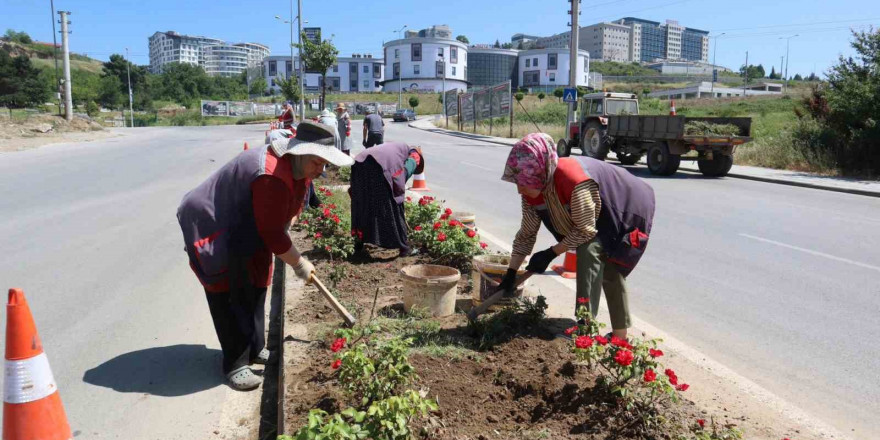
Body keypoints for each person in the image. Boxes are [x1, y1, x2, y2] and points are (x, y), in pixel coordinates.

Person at [177, 121, 353, 391]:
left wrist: (290, 218)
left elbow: (289, 209)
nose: (322, 170)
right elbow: (272, 234)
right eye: (318, 163)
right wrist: (300, 263)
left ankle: (255, 346)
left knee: (258, 279)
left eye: (325, 164)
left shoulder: (299, 170)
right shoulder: (270, 174)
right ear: (300, 153)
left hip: (248, 223)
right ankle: (235, 363)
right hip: (216, 223)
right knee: (229, 289)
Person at [498, 133, 655, 340]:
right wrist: (511, 271)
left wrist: (551, 253)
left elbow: (585, 230)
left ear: (541, 174)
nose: (520, 189)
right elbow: (527, 233)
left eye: (524, 183)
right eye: (518, 183)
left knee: (596, 256)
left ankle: (586, 328)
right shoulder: (530, 193)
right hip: (592, 215)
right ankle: (620, 337)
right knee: (606, 267)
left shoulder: (573, 179)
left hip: (625, 208)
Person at [349, 142, 424, 257]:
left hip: (359, 163)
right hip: (378, 167)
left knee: (362, 204)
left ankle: (358, 244)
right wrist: (399, 188)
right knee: (393, 206)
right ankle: (404, 248)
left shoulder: (396, 147)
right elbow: (404, 173)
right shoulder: (414, 154)